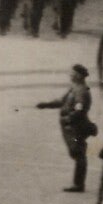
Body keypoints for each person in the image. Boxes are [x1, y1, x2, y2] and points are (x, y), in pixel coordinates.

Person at [36, 64, 97, 192]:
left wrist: (68, 119)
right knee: (76, 152)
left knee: (78, 153)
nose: (70, 75)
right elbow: (62, 101)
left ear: (79, 76)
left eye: (73, 73)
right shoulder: (74, 88)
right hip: (72, 125)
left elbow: (79, 110)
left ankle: (79, 184)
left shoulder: (81, 91)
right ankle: (78, 183)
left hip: (77, 126)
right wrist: (46, 105)